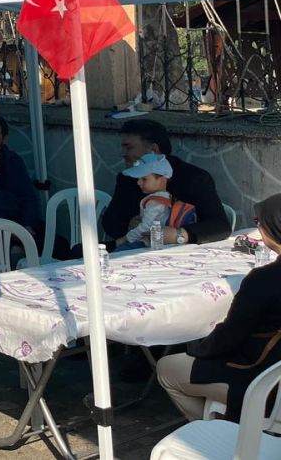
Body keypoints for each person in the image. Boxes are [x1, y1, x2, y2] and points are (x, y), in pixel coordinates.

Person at [156, 194, 281, 422]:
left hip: (262, 379)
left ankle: (221, 434)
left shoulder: (264, 279)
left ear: (272, 230)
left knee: (167, 368)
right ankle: (228, 421)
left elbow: (230, 336)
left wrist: (197, 348)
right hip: (270, 370)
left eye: (259, 223)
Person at [102, 119, 229, 246]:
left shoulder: (194, 178)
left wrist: (178, 235)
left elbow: (220, 225)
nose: (123, 153)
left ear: (153, 150)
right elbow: (110, 222)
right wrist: (130, 225)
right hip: (133, 249)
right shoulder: (128, 177)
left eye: (129, 147)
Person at [112, 154, 193, 251]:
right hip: (154, 243)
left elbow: (146, 227)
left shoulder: (155, 202)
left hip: (147, 244)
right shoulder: (166, 197)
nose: (138, 182)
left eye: (144, 179)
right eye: (138, 179)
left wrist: (125, 239)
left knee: (118, 253)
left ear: (162, 180)